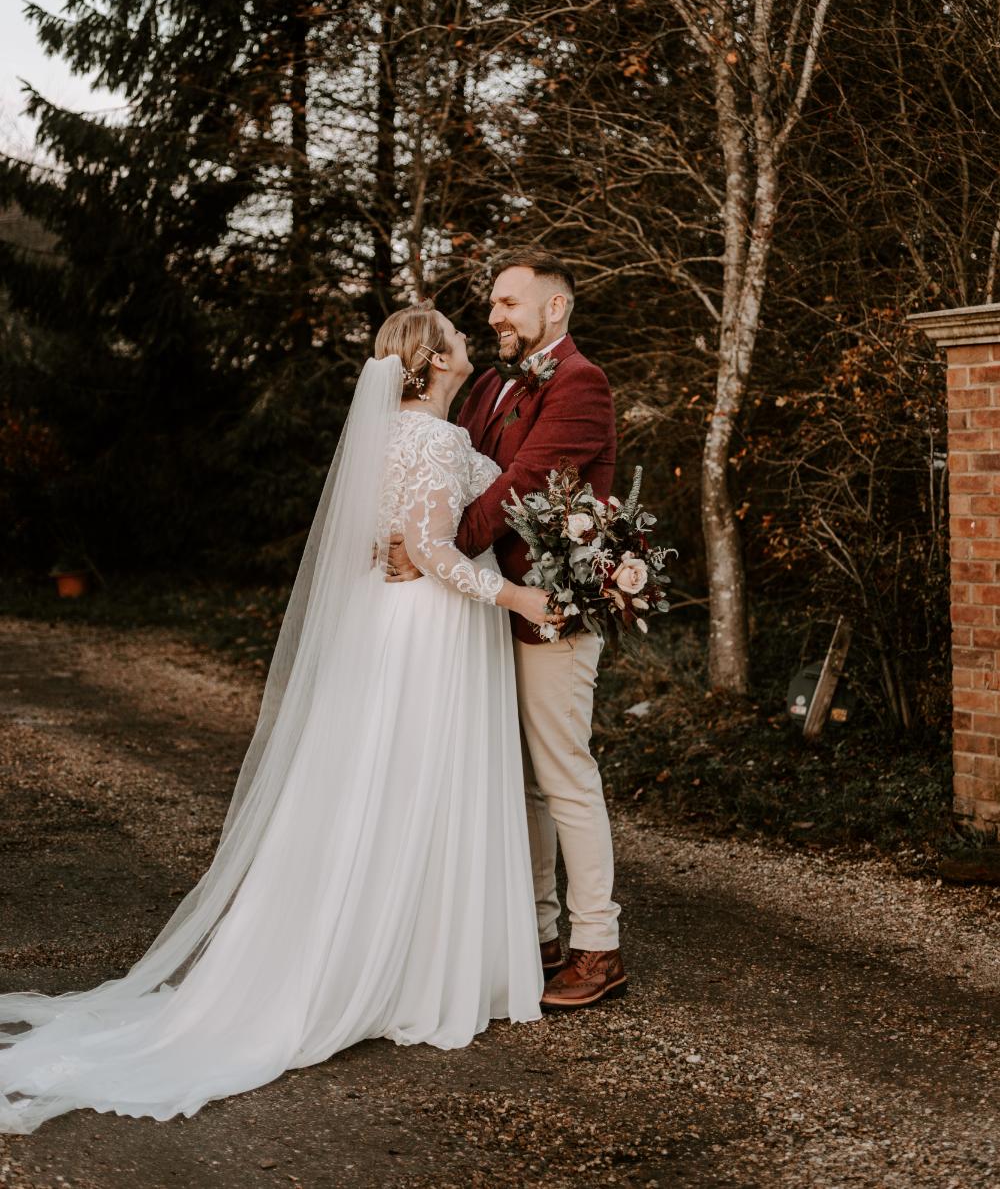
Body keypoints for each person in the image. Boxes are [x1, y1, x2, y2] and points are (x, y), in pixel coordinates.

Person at [0, 309, 557, 1134]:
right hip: (430, 629)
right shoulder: (433, 440)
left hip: (390, 623)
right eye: (455, 333)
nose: (469, 338)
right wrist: (516, 596)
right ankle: (413, 964)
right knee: (421, 778)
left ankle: (391, 948)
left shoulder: (396, 433)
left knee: (387, 781)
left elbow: (397, 540)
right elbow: (432, 548)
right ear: (436, 358)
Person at [388, 250, 626, 1010]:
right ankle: (537, 931)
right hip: (489, 607)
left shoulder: (582, 385)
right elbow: (443, 473)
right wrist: (417, 537)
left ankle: (598, 946)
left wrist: (432, 550)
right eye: (491, 305)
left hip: (551, 605)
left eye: (509, 304)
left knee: (564, 776)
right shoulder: (488, 382)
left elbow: (521, 489)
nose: (494, 317)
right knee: (519, 785)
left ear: (554, 309)